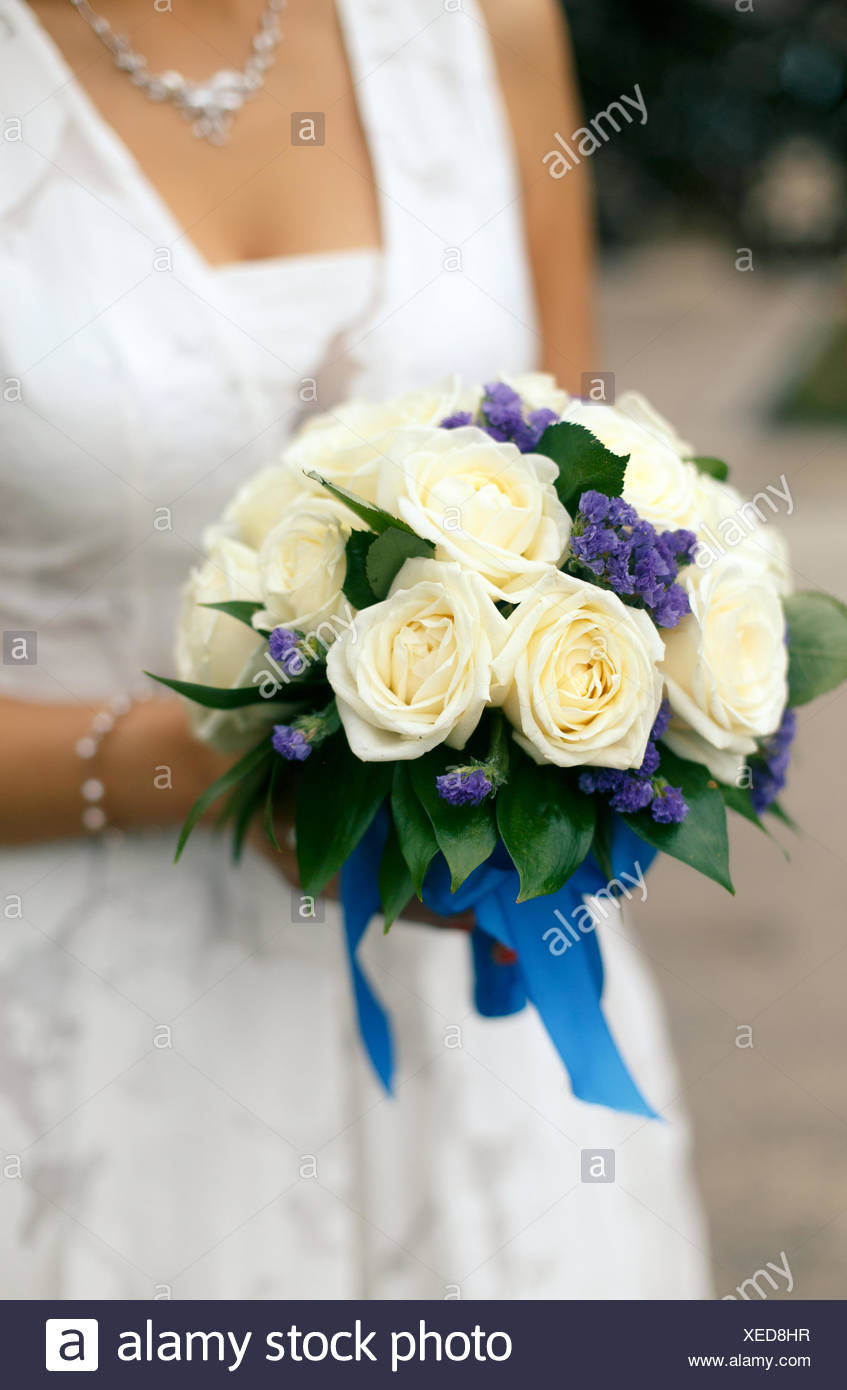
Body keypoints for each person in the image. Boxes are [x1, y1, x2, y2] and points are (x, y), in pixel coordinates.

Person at [0, 0, 711, 1297]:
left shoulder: (490, 25)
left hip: (477, 1017)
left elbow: (587, 477)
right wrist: (197, 761)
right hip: (80, 1036)